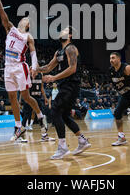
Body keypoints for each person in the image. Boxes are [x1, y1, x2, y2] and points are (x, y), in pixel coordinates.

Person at [0, 0, 47, 141]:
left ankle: (40, 116)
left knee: (26, 96)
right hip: (7, 67)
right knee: (12, 97)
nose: (24, 19)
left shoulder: (28, 37)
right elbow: (1, 11)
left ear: (28, 25)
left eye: (27, 19)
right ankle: (18, 126)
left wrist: (34, 66)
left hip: (20, 66)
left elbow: (33, 53)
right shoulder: (10, 28)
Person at [35, 26, 91, 159]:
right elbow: (48, 67)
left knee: (55, 110)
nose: (61, 32)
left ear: (70, 35)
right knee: (65, 115)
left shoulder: (71, 48)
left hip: (71, 85)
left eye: (65, 31)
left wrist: (53, 78)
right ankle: (82, 141)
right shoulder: (58, 52)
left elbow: (72, 68)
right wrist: (35, 69)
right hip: (64, 86)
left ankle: (63, 147)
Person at [21, 72, 53, 142]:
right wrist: (21, 98)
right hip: (29, 98)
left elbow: (41, 87)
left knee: (41, 116)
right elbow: (23, 87)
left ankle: (44, 135)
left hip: (38, 98)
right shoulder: (28, 74)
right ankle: (19, 135)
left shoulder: (40, 74)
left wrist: (45, 98)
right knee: (26, 116)